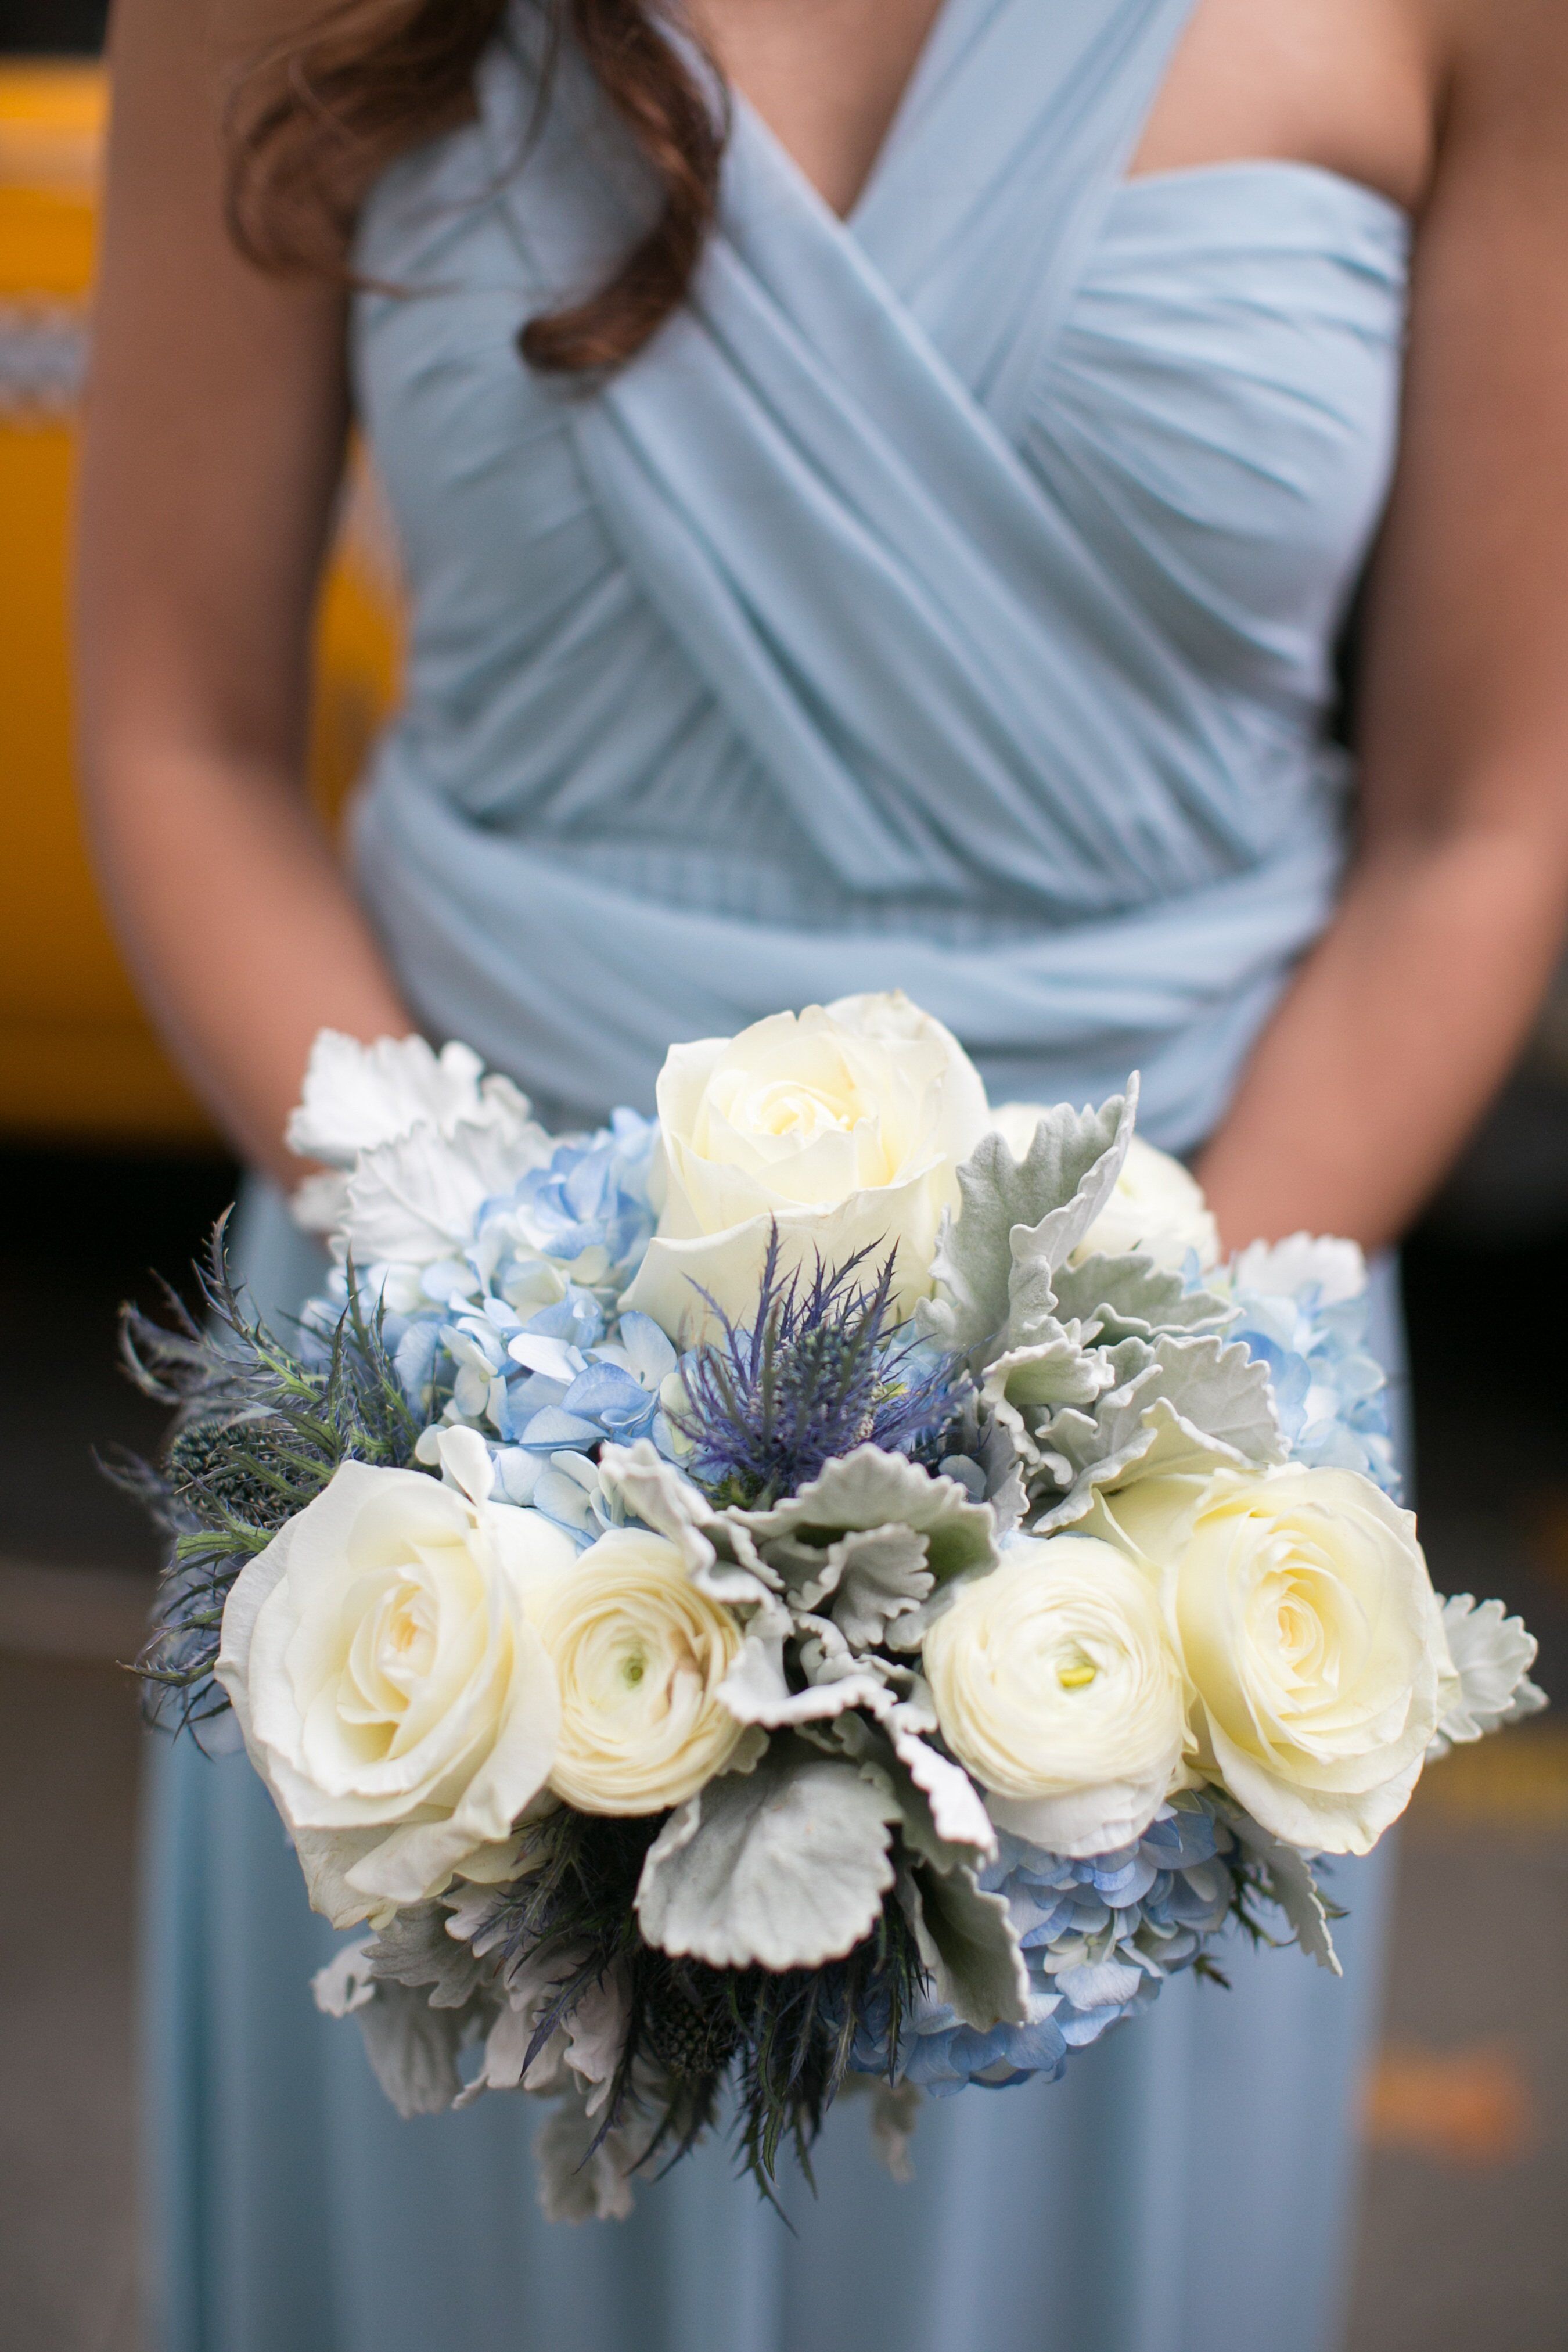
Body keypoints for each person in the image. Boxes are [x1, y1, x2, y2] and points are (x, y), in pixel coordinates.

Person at [75, 0, 1568, 2347]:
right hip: (453, 1444)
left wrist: (1131, 1455)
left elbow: (1487, 821)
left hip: (1184, 1440)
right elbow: (179, 733)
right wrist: (502, 1356)